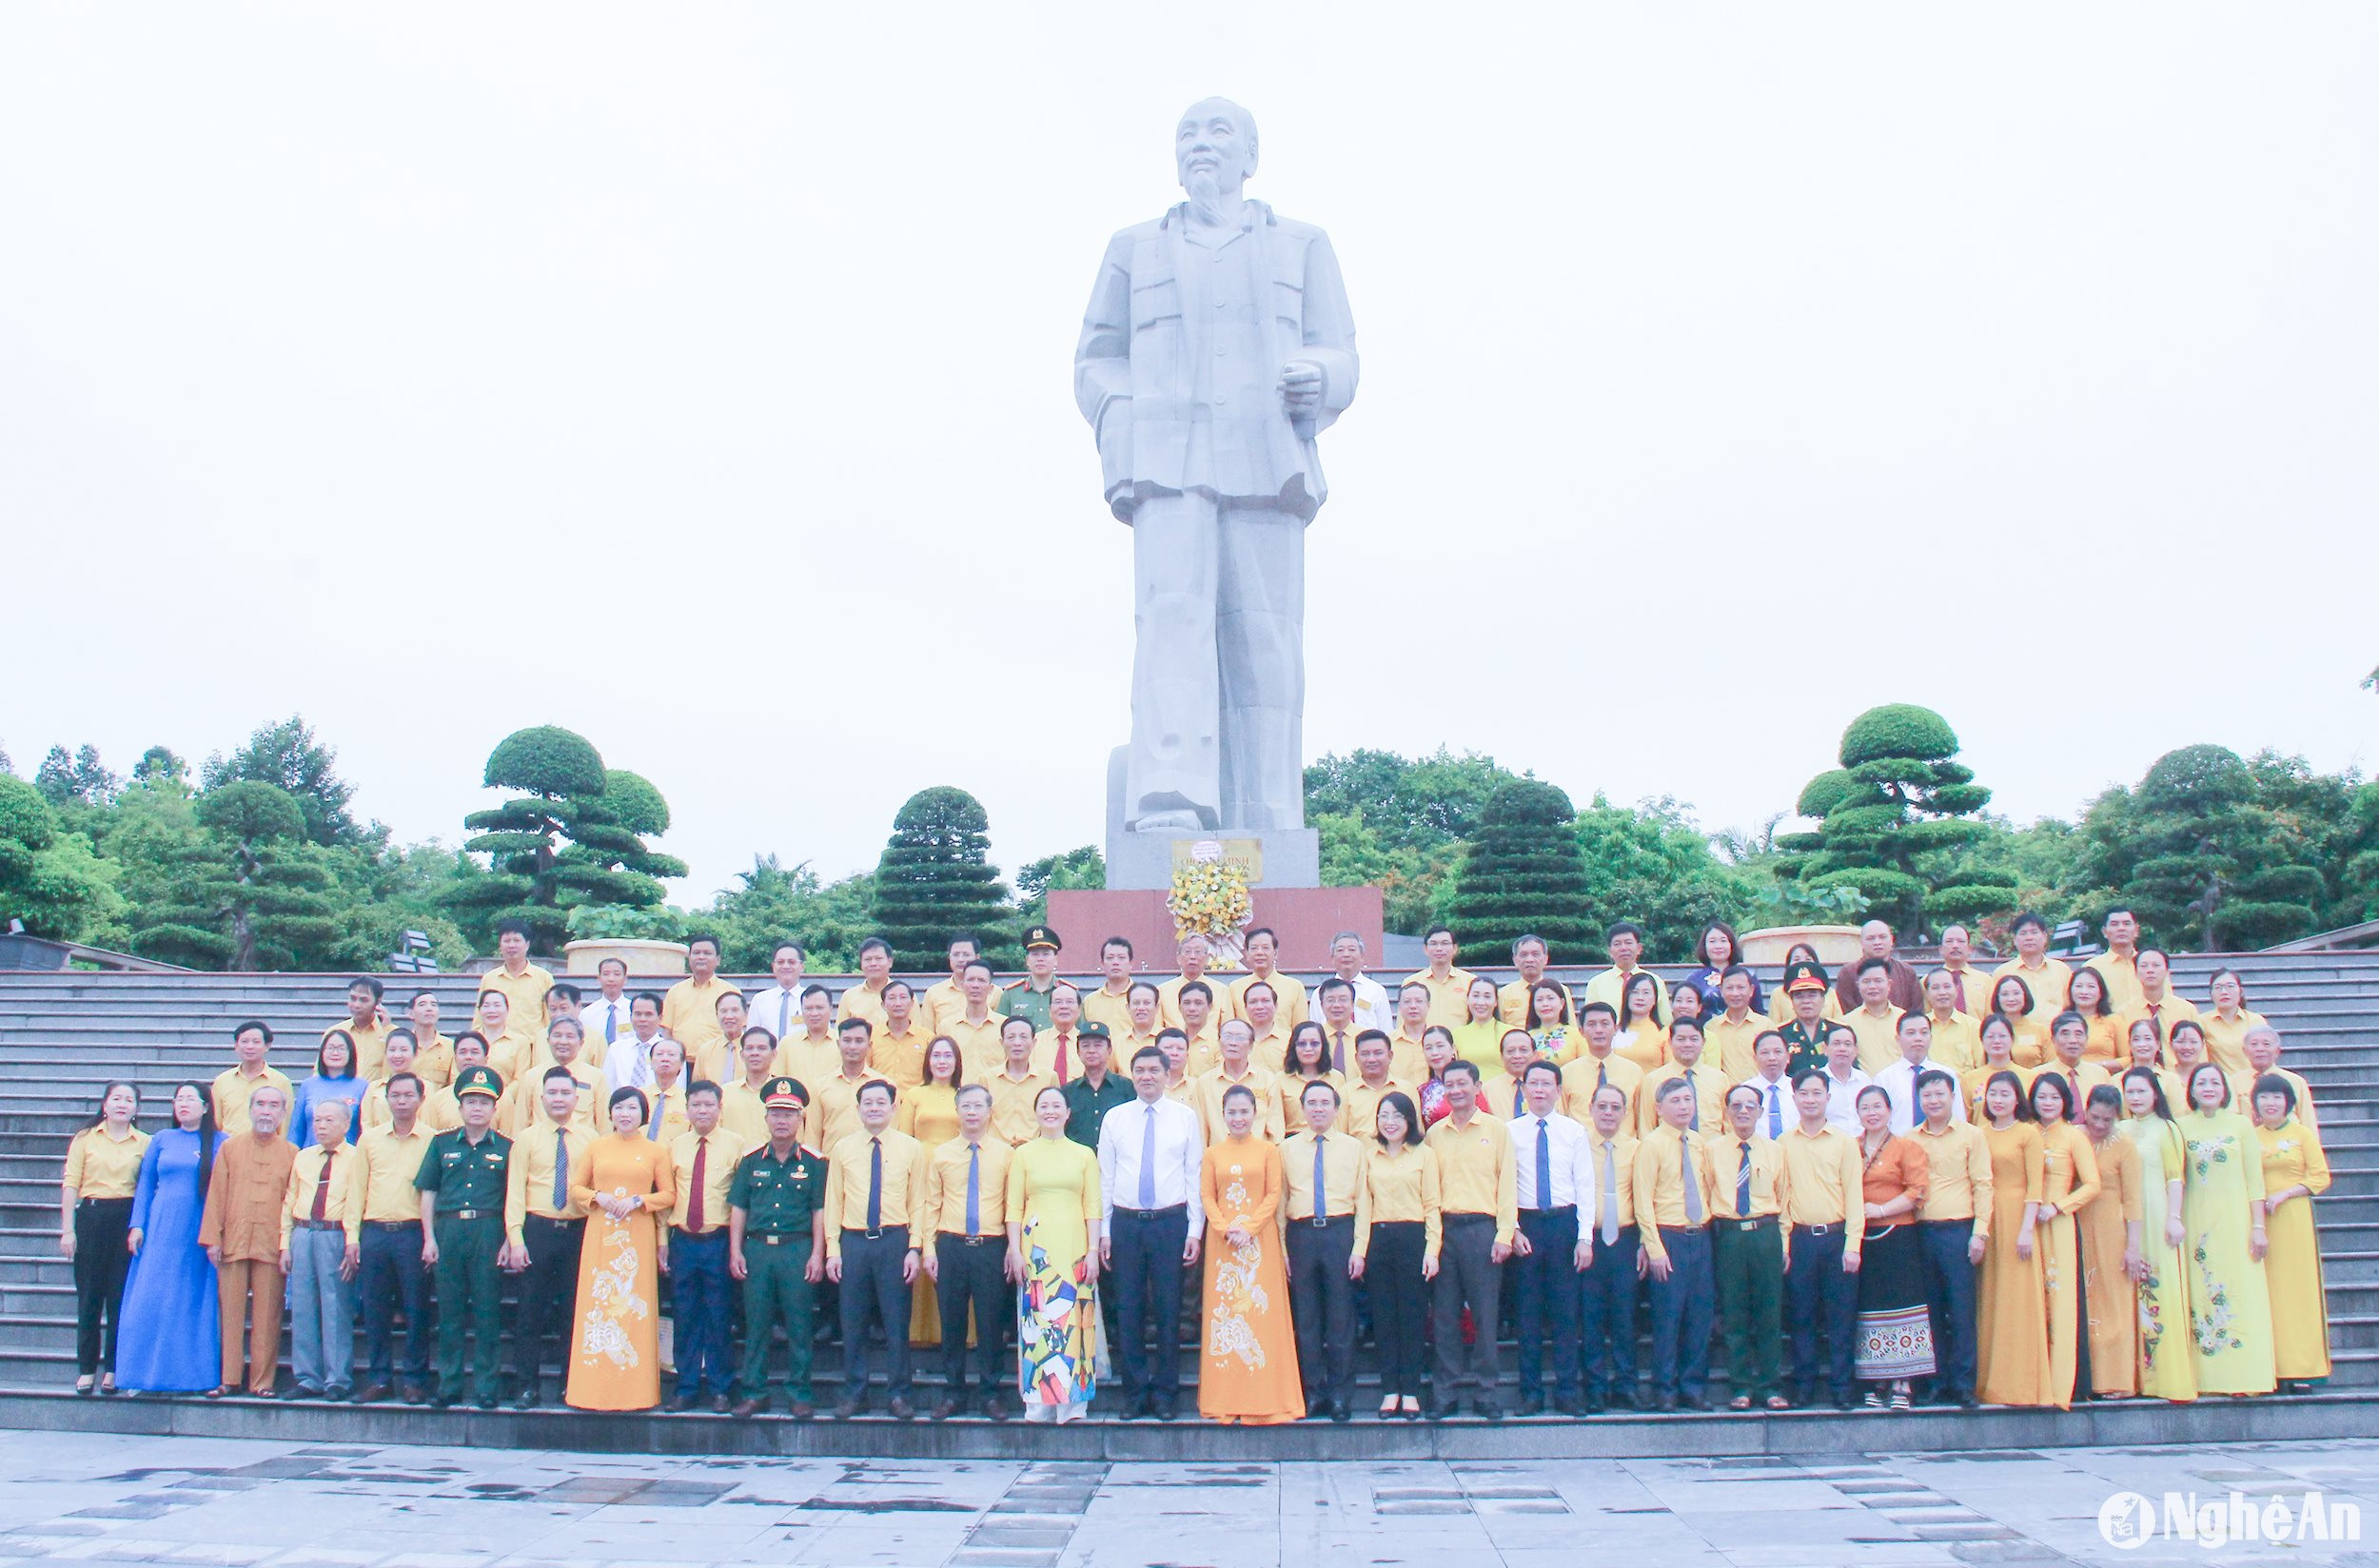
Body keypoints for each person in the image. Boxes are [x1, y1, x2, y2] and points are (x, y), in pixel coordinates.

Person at [1098, 1046, 1205, 1420]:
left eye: (1154, 1071)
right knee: (1128, 1308)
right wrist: (1104, 1230)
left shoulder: (1185, 1117)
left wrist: (1195, 1229)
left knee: (1168, 1308)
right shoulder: (1115, 1118)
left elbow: (1194, 1175)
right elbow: (1105, 1178)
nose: (1147, 1077)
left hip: (1169, 1222)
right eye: (1140, 1070)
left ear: (1167, 1073)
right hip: (1126, 1223)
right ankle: (1135, 1393)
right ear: (1132, 1074)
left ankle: (1165, 1394)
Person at [561, 1087, 675, 1411]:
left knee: (632, 1308)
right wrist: (599, 1197)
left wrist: (640, 1200)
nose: (626, 1114)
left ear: (644, 1115)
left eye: (633, 1109)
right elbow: (576, 1188)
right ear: (610, 1113)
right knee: (598, 1306)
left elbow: (668, 1194)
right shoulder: (596, 1147)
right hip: (601, 1233)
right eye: (620, 1108)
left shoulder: (655, 1151)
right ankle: (589, 1392)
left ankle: (636, 1393)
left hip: (637, 1236)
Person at [1198, 1085, 1303, 1424]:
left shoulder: (1269, 1151)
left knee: (1262, 1316)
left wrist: (1250, 1228)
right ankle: (1226, 1399)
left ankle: (1267, 1399)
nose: (1239, 1118)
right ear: (1223, 1115)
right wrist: (1224, 1227)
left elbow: (1274, 1194)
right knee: (1226, 1317)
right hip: (1223, 1245)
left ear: (1255, 1113)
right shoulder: (1213, 1153)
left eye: (1245, 1111)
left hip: (1259, 1244)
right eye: (1232, 1112)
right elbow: (1207, 1195)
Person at [824, 1080, 927, 1419]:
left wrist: (914, 1249)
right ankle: (856, 1393)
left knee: (897, 1322)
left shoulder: (912, 1148)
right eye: (867, 1102)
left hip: (894, 1240)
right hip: (853, 1241)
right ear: (857, 1109)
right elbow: (833, 1201)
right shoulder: (842, 1148)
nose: (873, 1108)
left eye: (881, 1102)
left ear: (894, 1107)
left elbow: (918, 1202)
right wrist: (832, 1249)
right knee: (852, 1322)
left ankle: (899, 1394)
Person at [729, 1077, 828, 1419]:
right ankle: (755, 1392)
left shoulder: (815, 1162)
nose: (781, 1120)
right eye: (775, 1113)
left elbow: (819, 1210)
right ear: (766, 1118)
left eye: (789, 1113)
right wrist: (735, 1250)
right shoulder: (752, 1160)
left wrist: (818, 1253)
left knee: (800, 1325)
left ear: (801, 1118)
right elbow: (739, 1207)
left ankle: (800, 1393)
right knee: (756, 1325)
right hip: (757, 1250)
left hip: (796, 1250)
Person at [1425, 1060, 1516, 1420]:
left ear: (1478, 1087)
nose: (1456, 1090)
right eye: (1450, 1084)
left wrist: (1505, 1233)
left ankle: (1486, 1392)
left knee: (1485, 1314)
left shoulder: (1495, 1130)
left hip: (1483, 1230)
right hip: (1445, 1230)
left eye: (1463, 1083)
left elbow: (1507, 1184)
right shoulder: (1434, 1134)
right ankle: (1444, 1392)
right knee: (1445, 1316)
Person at [2176, 1062, 2275, 1396]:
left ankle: (2243, 1376)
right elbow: (2176, 1180)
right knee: (2202, 1292)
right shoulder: (2180, 1126)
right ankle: (2205, 1377)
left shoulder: (2241, 1125)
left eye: (2214, 1082)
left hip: (2236, 1220)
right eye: (2201, 1082)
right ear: (2191, 1090)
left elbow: (2254, 1180)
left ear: (2224, 1088)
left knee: (2238, 1291)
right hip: (2196, 1219)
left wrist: (2258, 1226)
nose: (2208, 1087)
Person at [416, 1066, 510, 1409]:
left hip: (488, 1231)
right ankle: (449, 1384)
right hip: (449, 1230)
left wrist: (507, 1241)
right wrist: (429, 1238)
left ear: (494, 1108)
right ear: (459, 1107)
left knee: (488, 1313)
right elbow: (428, 1193)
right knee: (450, 1313)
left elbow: (512, 1198)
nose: (477, 1108)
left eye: (484, 1102)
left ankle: (486, 1386)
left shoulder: (506, 1147)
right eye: (470, 1101)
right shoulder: (441, 1145)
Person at [919, 1085, 1015, 1420]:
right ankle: (953, 1391)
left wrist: (1011, 1248)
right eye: (966, 1106)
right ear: (957, 1111)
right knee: (953, 1323)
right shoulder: (942, 1154)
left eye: (978, 1106)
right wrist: (928, 1249)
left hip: (991, 1246)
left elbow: (1011, 1205)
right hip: (951, 1245)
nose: (972, 1112)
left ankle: (991, 1393)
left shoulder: (1006, 1154)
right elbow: (931, 1204)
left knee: (991, 1323)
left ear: (990, 1112)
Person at [116, 1085, 220, 1395]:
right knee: (149, 1299)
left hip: (198, 1231)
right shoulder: (161, 1139)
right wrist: (137, 1225)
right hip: (160, 1228)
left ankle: (189, 1377)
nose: (184, 1104)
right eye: (179, 1099)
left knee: (188, 1302)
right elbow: (146, 1184)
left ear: (205, 1107)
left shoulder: (221, 1142)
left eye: (191, 1099)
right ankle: (140, 1375)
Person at [1010, 1084, 1104, 1423]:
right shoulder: (1023, 1154)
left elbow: (1093, 1206)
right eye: (1043, 1105)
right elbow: (1013, 1208)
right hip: (1036, 1250)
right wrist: (1015, 1250)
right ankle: (1037, 1403)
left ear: (1067, 1113)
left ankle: (1073, 1405)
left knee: (1075, 1323)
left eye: (1056, 1106)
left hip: (1075, 1248)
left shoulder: (1084, 1154)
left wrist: (1093, 1250)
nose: (1050, 1111)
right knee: (1038, 1322)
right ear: (1036, 1113)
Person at [504, 1066, 596, 1407]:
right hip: (538, 1229)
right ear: (541, 1098)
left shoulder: (591, 1139)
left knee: (574, 1313)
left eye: (565, 1093)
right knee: (530, 1313)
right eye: (552, 1093)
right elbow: (515, 1191)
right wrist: (516, 1239)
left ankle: (569, 1384)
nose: (558, 1099)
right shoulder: (526, 1139)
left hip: (578, 1232)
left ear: (576, 1098)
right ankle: (526, 1387)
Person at [199, 1083, 297, 1397]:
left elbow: (294, 1201)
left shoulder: (293, 1153)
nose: (266, 1111)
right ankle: (229, 1378)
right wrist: (213, 1238)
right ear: (250, 1109)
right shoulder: (230, 1147)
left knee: (268, 1316)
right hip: (235, 1240)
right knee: (230, 1313)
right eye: (261, 1105)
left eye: (273, 1106)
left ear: (283, 1113)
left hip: (271, 1241)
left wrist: (286, 1245)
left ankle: (262, 1381)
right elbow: (216, 1195)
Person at [1506, 1060, 1591, 1417]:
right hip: (1526, 1226)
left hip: (1563, 1224)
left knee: (1565, 1313)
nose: (1539, 1089)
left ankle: (1568, 1390)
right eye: (1533, 1083)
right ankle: (1531, 1392)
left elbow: (1585, 1186)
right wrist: (1511, 1228)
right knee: (1527, 1314)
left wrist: (1584, 1237)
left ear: (1558, 1090)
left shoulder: (1574, 1131)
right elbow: (1503, 1185)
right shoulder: (1508, 1131)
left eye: (1547, 1083)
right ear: (1523, 1089)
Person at [1280, 1080, 1367, 1421]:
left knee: (1341, 1318)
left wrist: (1359, 1248)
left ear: (1336, 1108)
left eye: (1325, 1103)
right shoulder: (1286, 1149)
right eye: (1311, 1103)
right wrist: (1283, 1249)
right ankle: (1313, 1392)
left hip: (1339, 1232)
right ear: (1302, 1109)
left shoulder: (1353, 1148)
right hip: (1301, 1235)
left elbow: (1364, 1200)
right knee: (1307, 1318)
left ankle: (1341, 1395)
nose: (1318, 1109)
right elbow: (1281, 1201)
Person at [1779, 1070, 1866, 1411]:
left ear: (1828, 1097)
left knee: (1841, 1318)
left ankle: (1843, 1387)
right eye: (1805, 1093)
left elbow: (1854, 1196)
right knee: (1801, 1317)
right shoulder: (1783, 1143)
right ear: (1795, 1097)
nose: (1811, 1099)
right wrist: (1784, 1246)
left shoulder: (1844, 1142)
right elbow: (1782, 1198)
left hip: (1836, 1238)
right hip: (1801, 1239)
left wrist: (1853, 1244)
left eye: (1818, 1093)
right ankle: (1804, 1385)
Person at [345, 1070, 434, 1403]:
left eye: (408, 1096)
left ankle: (414, 1379)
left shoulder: (432, 1139)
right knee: (375, 1309)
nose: (401, 1101)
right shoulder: (369, 1139)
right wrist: (352, 1237)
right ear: (386, 1100)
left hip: (412, 1232)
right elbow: (357, 1190)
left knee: (416, 1308)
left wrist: (430, 1237)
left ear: (421, 1100)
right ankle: (379, 1377)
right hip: (375, 1233)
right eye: (395, 1096)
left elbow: (432, 1192)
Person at [659, 1080, 745, 1412]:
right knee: (685, 1315)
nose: (702, 1111)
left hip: (718, 1241)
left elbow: (740, 1201)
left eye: (709, 1105)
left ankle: (722, 1388)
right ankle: (687, 1385)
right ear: (687, 1109)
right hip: (683, 1241)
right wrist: (663, 1241)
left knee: (719, 1316)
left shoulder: (736, 1145)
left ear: (720, 1108)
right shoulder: (675, 1146)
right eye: (696, 1105)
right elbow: (667, 1199)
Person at [1911, 1068, 1991, 1408]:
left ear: (1953, 1096)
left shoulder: (1972, 1136)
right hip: (1922, 1233)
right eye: (1927, 1095)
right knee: (1929, 1311)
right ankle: (1934, 1382)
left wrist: (1980, 1232)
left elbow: (1983, 1184)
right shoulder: (1910, 1139)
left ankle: (1962, 1384)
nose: (1933, 1100)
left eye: (1940, 1094)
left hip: (1959, 1231)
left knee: (1961, 1312)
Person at [1705, 1083, 1787, 1410]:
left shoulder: (1775, 1149)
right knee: (1735, 1313)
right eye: (1736, 1106)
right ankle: (1740, 1385)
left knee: (1769, 1312)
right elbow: (1706, 1188)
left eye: (1750, 1106)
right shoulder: (1711, 1149)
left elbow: (1785, 1196)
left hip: (1765, 1233)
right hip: (1729, 1234)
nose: (1743, 1111)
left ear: (1760, 1111)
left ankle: (1770, 1386)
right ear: (1726, 1112)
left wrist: (1786, 1243)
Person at [61, 1083, 147, 1396]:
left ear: (137, 1107)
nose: (123, 1105)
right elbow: (71, 1184)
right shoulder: (86, 1139)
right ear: (105, 1104)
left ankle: (114, 1367)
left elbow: (147, 1187)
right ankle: (86, 1369)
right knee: (89, 1297)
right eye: (117, 1099)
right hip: (92, 1217)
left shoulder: (145, 1142)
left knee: (120, 1298)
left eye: (129, 1100)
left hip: (126, 1218)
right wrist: (68, 1229)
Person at [1636, 1075, 1715, 1410]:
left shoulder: (1698, 1142)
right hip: (1669, 1237)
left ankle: (1692, 1386)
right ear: (1658, 1108)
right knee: (1668, 1318)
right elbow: (1643, 1200)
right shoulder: (1651, 1145)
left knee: (1699, 1316)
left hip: (1701, 1235)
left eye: (1687, 1100)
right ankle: (1664, 1388)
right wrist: (1654, 1248)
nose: (1683, 1107)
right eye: (1676, 1101)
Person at [1850, 1084, 1932, 1410]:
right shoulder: (1850, 1147)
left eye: (1877, 1107)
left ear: (1889, 1110)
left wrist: (1882, 1210)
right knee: (1871, 1307)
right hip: (1862, 1238)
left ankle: (1903, 1379)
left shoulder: (1906, 1148)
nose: (1871, 1113)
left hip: (1898, 1235)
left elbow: (1917, 1191)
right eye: (1865, 1108)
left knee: (1902, 1305)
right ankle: (1877, 1376)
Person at [2117, 1068, 2196, 1401]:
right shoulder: (2119, 1129)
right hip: (2122, 1217)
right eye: (2130, 1092)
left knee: (2157, 1289)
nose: (2135, 1098)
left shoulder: (2168, 1129)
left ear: (2155, 1094)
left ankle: (2164, 1376)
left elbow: (2175, 1177)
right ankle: (2130, 1375)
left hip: (2155, 1212)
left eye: (2142, 1092)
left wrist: (2174, 1218)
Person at [1361, 1090, 1438, 1420]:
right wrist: (1360, 1251)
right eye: (1384, 1116)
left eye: (1397, 1116)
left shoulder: (1424, 1155)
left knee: (1411, 1317)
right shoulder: (1369, 1155)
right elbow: (1363, 1206)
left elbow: (1433, 1205)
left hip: (1413, 1239)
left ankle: (1411, 1391)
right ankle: (1389, 1390)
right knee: (1384, 1317)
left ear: (1410, 1120)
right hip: (1379, 1239)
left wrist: (1433, 1249)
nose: (1390, 1123)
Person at [2251, 1073, 2330, 1392]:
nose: (2271, 1103)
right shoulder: (2250, 1135)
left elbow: (2321, 1177)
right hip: (2259, 1219)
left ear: (2288, 1102)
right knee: (2267, 1292)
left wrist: (2285, 1194)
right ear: (2255, 1103)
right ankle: (2270, 1366)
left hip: (2293, 1218)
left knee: (2297, 1291)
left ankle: (2303, 1367)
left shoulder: (2302, 1135)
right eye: (2264, 1097)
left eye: (2277, 1097)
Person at [1974, 1070, 2049, 1406]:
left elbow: (2036, 1185)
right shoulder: (1980, 1134)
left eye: (2005, 1093)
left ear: (2017, 1098)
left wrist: (2026, 1229)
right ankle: (1992, 1381)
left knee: (2018, 1300)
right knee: (1991, 1296)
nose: (1998, 1099)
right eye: (1993, 1094)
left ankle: (2022, 1384)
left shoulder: (2028, 1134)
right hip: (1988, 1216)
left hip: (2018, 1215)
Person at [2028, 1073, 2101, 1409]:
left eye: (2054, 1098)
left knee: (2059, 1301)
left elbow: (2091, 1185)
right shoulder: (2026, 1134)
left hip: (2058, 1225)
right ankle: (2031, 1381)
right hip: (2027, 1225)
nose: (2047, 1103)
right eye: (2042, 1097)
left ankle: (2060, 1386)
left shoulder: (2074, 1137)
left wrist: (2058, 1207)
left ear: (2065, 1102)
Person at [282, 1098, 357, 1401]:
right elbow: (290, 1199)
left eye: (329, 1120)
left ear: (346, 1124)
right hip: (303, 1232)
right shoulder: (303, 1157)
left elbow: (355, 1202)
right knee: (303, 1306)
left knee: (335, 1305)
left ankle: (337, 1377)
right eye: (317, 1121)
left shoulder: (356, 1157)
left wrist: (352, 1240)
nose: (321, 1126)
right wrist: (283, 1243)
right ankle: (306, 1376)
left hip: (334, 1233)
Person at [1576, 1083, 1640, 1413]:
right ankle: (1596, 1387)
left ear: (1625, 1113)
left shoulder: (1636, 1148)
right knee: (1591, 1317)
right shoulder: (1578, 1144)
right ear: (1591, 1108)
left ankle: (1627, 1385)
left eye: (1616, 1107)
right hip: (1590, 1240)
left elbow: (1643, 1197)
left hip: (1626, 1240)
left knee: (1625, 1317)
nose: (1608, 1113)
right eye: (1602, 1106)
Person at [2076, 1084, 2142, 1401]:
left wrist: (2133, 1246)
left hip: (2111, 1227)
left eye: (2107, 1120)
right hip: (2076, 1223)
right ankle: (2084, 1377)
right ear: (2085, 1110)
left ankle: (2116, 1379)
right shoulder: (2074, 1136)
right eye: (2095, 1118)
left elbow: (2133, 1200)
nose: (2100, 1126)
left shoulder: (2125, 1145)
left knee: (2114, 1301)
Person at [499, 1016, 600, 1137]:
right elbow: (520, 1124)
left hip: (583, 1150)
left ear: (581, 1043)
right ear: (548, 1040)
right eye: (557, 1035)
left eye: (570, 1036)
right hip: (539, 1149)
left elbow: (604, 1127)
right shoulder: (531, 1076)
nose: (563, 1041)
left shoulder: (596, 1077)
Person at [1873, 1011, 1963, 1135]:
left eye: (1924, 1033)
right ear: (1898, 1039)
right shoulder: (1884, 1078)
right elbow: (1880, 1123)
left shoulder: (1947, 1074)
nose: (1918, 1038)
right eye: (1911, 1033)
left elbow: (1958, 1118)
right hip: (1899, 1148)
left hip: (1943, 1147)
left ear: (1931, 1037)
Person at [1196, 1019, 1285, 1145]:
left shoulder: (1268, 1080)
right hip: (1219, 1158)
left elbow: (1276, 1130)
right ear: (1219, 1042)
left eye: (1240, 1038)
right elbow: (1201, 1130)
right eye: (1227, 1037)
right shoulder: (1204, 1082)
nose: (1233, 1043)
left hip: (1257, 1158)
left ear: (1251, 1046)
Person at [660, 931, 741, 1067]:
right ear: (689, 957)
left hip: (717, 1061)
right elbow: (667, 1031)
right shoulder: (675, 991)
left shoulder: (731, 992)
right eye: (696, 953)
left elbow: (738, 1032)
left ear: (718, 959)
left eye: (707, 953)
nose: (701, 957)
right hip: (681, 1063)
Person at [1559, 1004, 1644, 1129]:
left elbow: (1642, 1120)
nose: (1599, 1030)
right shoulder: (1566, 1072)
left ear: (1616, 1029)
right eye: (1592, 1024)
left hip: (1624, 1146)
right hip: (1581, 1146)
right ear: (1581, 1031)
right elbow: (1561, 1117)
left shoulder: (1634, 1072)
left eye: (1605, 1024)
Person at [1635, 1017, 1723, 1136]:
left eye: (1694, 1039)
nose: (1687, 1044)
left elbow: (1728, 1124)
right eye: (1681, 1039)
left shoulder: (1719, 1078)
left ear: (1703, 1042)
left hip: (1711, 1151)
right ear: (1670, 1043)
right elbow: (1646, 1127)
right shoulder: (1653, 1079)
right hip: (1667, 1152)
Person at [985, 1015, 1060, 1146]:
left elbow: (1056, 1120)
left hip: (1036, 1151)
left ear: (1034, 1042)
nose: (1017, 1043)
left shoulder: (1048, 1077)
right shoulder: (988, 1078)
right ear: (1001, 1042)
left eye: (1024, 1037)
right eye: (1011, 1037)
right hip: (998, 1151)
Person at [213, 1020, 293, 1139]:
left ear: (267, 1046)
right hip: (229, 1150)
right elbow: (216, 1123)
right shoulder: (222, 1081)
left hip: (267, 1149)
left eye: (256, 1042)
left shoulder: (281, 1081)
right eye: (244, 1041)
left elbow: (285, 1125)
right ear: (236, 1045)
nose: (249, 1046)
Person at [1062, 1023, 1132, 1154]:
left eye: (1098, 1045)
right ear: (1078, 1052)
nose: (1091, 1050)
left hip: (1117, 1162)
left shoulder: (1127, 1088)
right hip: (1078, 1164)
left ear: (1110, 1050)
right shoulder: (1067, 1092)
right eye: (1085, 1045)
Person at [1992, 912, 2074, 1025]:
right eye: (2023, 933)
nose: (2029, 938)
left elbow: (2071, 1007)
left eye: (2034, 932)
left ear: (2045, 937)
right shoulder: (2002, 972)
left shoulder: (2062, 969)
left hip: (2056, 1035)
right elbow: (1995, 1011)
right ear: (2015, 940)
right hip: (2017, 1036)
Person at [478, 918, 556, 1034]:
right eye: (507, 941)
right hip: (497, 1047)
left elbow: (550, 1019)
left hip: (532, 1048)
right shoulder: (489, 979)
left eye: (517, 940)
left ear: (527, 944)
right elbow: (479, 1019)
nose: (511, 945)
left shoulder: (544, 978)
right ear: (500, 944)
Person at [294, 1029, 366, 1145]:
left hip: (349, 1157)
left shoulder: (363, 1086)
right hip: (311, 1156)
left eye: (341, 1048)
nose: (335, 1053)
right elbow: (296, 1129)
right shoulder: (308, 1085)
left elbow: (365, 1128)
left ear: (351, 1053)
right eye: (330, 1048)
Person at [1833, 921, 1922, 1014]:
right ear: (1861, 942)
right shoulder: (1848, 973)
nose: (1877, 942)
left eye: (1882, 937)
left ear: (1891, 939)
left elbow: (1916, 1009)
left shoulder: (1907, 972)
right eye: (1871, 938)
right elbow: (1845, 1010)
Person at [2118, 948, 2201, 1047]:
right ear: (2136, 973)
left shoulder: (2187, 1010)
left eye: (2156, 965)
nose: (2150, 970)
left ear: (2167, 972)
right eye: (2144, 966)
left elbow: (2199, 1050)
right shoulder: (2124, 1012)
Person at [1679, 921, 1761, 1019]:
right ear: (1704, 946)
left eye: (1723, 940)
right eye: (1712, 941)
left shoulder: (1748, 976)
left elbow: (1758, 1012)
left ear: (1731, 944)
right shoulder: (1694, 979)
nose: (1718, 946)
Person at [1230, 927, 1308, 1027]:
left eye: (1265, 947)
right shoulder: (1235, 988)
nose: (1259, 953)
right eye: (1254, 948)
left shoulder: (1295, 987)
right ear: (1247, 954)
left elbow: (1301, 1028)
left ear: (1275, 953)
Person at [1842, 960, 1911, 1074]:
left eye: (1878, 981)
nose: (1872, 986)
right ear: (1858, 985)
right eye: (1866, 981)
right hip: (1864, 1087)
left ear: (1889, 985)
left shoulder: (1905, 1019)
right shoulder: (1847, 1022)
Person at [945, 960, 1010, 1081]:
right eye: (970, 980)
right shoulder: (947, 1025)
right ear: (963, 986)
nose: (975, 985)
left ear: (991, 988)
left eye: (981, 980)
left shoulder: (1005, 1026)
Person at [1341, 1030, 1410, 1142]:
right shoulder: (1345, 1093)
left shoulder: (1406, 1089)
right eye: (1365, 1054)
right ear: (1356, 1058)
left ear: (1390, 1056)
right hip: (1359, 1158)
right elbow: (1340, 1137)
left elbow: (1416, 1134)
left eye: (1378, 1053)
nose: (1371, 1059)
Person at [1496, 932, 1577, 1028]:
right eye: (1523, 955)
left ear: (1545, 959)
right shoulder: (1503, 994)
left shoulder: (1561, 990)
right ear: (1515, 960)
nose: (1530, 960)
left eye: (1535, 954)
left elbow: (1571, 1027)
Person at [1403, 925, 1477, 1028]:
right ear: (1425, 949)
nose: (1439, 948)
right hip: (1423, 1043)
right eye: (1433, 944)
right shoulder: (1411, 983)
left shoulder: (1471, 982)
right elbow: (1403, 1023)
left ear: (1455, 948)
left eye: (1444, 943)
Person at [1704, 968, 1769, 1083]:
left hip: (1759, 1095)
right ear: (1721, 991)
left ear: (1751, 990)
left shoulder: (1766, 1026)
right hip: (1726, 1096)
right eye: (1729, 988)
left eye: (1740, 987)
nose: (1735, 993)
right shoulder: (1711, 1027)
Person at [2200, 969, 2268, 1078]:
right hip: (2220, 1087)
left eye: (2230, 986)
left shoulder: (2256, 1021)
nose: (2224, 992)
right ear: (2211, 994)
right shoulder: (2202, 1022)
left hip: (2252, 1083)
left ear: (2241, 991)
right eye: (2218, 987)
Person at [871, 980, 938, 1090]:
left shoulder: (927, 1038)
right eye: (892, 998)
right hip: (881, 1101)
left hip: (916, 1102)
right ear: (883, 1005)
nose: (898, 1003)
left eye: (903, 997)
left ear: (912, 1003)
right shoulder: (872, 1036)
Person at [418, 1031, 488, 1134]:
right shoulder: (438, 1099)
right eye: (463, 1052)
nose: (468, 1057)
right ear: (455, 1059)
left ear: (486, 1059)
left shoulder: (501, 1098)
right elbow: (430, 1138)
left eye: (474, 1052)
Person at [1582, 921, 1654, 1020]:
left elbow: (1665, 1021)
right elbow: (1591, 1019)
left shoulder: (1654, 981)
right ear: (1610, 951)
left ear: (1639, 948)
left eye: (1628, 943)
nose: (1623, 948)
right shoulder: (1596, 984)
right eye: (1617, 944)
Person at [1280, 1021, 1344, 1133]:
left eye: (1314, 1043)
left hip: (1330, 1142)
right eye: (1302, 1044)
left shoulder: (1337, 1078)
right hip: (1293, 1142)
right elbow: (1277, 1122)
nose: (1308, 1048)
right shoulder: (1280, 1079)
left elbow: (1341, 1119)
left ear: (1323, 1046)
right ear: (1293, 1047)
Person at [1327, 930, 1395, 1032]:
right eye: (1340, 950)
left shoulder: (1376, 991)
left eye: (1352, 950)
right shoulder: (1321, 993)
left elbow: (1386, 1030)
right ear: (1332, 958)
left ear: (1362, 956)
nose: (1346, 954)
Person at [326, 978, 392, 1083]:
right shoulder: (335, 1032)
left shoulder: (389, 1033)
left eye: (364, 1000)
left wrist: (386, 1030)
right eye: (352, 999)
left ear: (378, 1002)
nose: (356, 1005)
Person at [1004, 925, 1067, 1032]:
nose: (1040, 959)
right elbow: (1002, 1030)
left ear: (1056, 960)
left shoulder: (1068, 992)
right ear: (1027, 960)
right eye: (1035, 954)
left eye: (1046, 954)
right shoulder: (1011, 993)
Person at [1736, 1030, 1795, 1143]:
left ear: (1788, 1057)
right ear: (1755, 1058)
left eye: (1778, 1052)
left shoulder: (1799, 1090)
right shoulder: (1744, 1091)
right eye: (1765, 1053)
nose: (1772, 1058)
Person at [1079, 935, 1140, 1038]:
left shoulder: (1144, 997)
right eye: (1110, 958)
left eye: (1121, 958)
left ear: (1131, 963)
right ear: (1102, 964)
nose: (1115, 962)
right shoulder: (1090, 1001)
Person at [1920, 969, 1980, 1071]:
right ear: (1927, 994)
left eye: (1947, 987)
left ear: (1957, 990)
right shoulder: (1921, 1027)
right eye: (1935, 988)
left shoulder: (1974, 1026)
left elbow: (1981, 1068)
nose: (1942, 992)